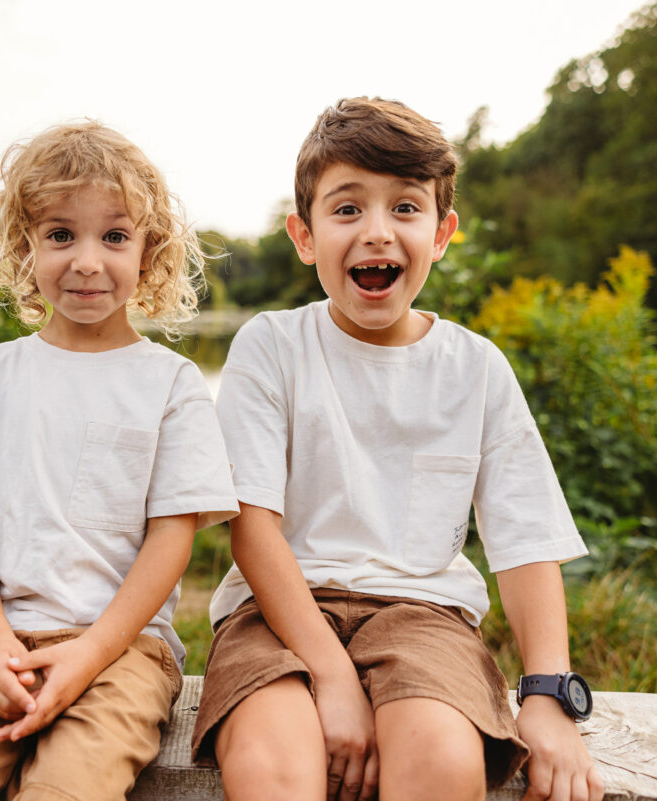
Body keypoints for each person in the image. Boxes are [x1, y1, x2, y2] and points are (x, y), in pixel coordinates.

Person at [192, 97, 605, 801]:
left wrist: (546, 694)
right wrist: (330, 672)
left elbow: (525, 536)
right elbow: (251, 525)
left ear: (442, 233)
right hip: (277, 611)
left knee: (442, 760)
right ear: (304, 234)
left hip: (424, 614)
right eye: (347, 209)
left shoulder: (474, 368)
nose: (376, 232)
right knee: (271, 763)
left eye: (405, 208)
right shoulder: (272, 345)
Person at [0, 120, 239, 801]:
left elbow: (171, 536)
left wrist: (91, 650)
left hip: (121, 651)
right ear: (25, 248)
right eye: (61, 234)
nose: (87, 260)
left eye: (114, 236)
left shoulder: (170, 384)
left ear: (149, 251)